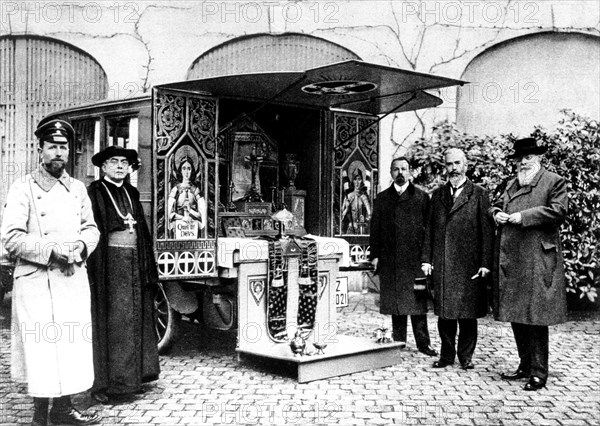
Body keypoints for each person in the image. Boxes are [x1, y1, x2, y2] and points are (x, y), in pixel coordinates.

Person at [1, 118, 101, 425]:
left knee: (70, 344)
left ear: (69, 151)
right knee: (42, 346)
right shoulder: (23, 187)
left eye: (63, 147)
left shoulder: (78, 189)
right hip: (36, 280)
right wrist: (51, 250)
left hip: (71, 278)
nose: (58, 153)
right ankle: (39, 414)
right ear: (40, 150)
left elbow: (91, 228)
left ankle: (63, 409)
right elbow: (12, 238)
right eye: (52, 147)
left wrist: (82, 247)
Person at [489, 137, 568, 391]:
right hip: (513, 257)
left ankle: (538, 373)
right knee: (517, 314)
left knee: (535, 317)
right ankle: (524, 365)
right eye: (520, 158)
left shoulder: (553, 181)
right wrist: (495, 214)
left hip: (536, 258)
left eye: (528, 157)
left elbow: (558, 211)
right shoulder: (512, 183)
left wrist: (522, 216)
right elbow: (496, 205)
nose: (523, 162)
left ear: (538, 158)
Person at [87, 145, 160, 403]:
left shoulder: (131, 192)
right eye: (114, 162)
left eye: (124, 162)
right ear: (103, 166)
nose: (120, 166)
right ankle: (107, 385)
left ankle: (133, 379)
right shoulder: (94, 192)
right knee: (114, 322)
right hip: (109, 264)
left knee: (135, 318)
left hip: (133, 261)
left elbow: (140, 229)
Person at [421, 148, 494, 370]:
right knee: (445, 314)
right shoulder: (438, 195)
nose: (453, 168)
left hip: (469, 264)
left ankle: (466, 356)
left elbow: (487, 232)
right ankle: (446, 356)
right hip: (443, 263)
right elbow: (430, 230)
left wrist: (484, 263)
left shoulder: (479, 194)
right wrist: (426, 259)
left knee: (468, 314)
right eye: (449, 164)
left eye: (457, 163)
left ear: (465, 165)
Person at [369, 157, 437, 356]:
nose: (400, 173)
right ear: (391, 172)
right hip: (391, 260)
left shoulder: (422, 197)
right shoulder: (382, 198)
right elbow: (376, 230)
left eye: (404, 169)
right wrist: (375, 255)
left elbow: (429, 231)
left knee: (418, 302)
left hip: (414, 261)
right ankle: (398, 342)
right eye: (396, 169)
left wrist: (426, 259)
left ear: (410, 172)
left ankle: (424, 344)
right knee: (396, 302)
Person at [168, 151, 206, 238]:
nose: (186, 172)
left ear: (192, 170)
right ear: (180, 170)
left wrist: (191, 210)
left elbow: (202, 214)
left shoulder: (195, 190)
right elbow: (169, 212)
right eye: (184, 168)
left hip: (193, 228)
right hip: (178, 228)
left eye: (189, 168)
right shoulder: (176, 190)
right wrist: (182, 218)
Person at [341, 168, 371, 234]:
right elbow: (341, 216)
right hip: (350, 229)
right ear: (352, 181)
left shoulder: (364, 197)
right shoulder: (348, 196)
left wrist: (365, 219)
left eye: (359, 179)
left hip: (361, 229)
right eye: (355, 179)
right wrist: (347, 208)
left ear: (362, 181)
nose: (357, 182)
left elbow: (370, 214)